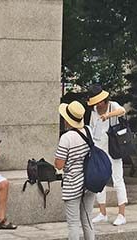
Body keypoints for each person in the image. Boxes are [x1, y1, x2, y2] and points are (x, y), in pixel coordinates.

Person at [86, 85, 127, 225]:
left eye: (98, 101)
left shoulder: (112, 105)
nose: (97, 105)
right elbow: (91, 128)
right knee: (99, 179)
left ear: (103, 100)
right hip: (99, 147)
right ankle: (102, 212)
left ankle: (122, 214)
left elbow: (122, 110)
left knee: (117, 179)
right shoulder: (93, 111)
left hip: (113, 147)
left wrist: (107, 116)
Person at [56, 101, 94, 240]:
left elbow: (59, 164)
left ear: (67, 119)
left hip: (73, 183)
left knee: (73, 224)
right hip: (89, 182)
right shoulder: (88, 131)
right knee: (88, 221)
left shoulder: (66, 138)